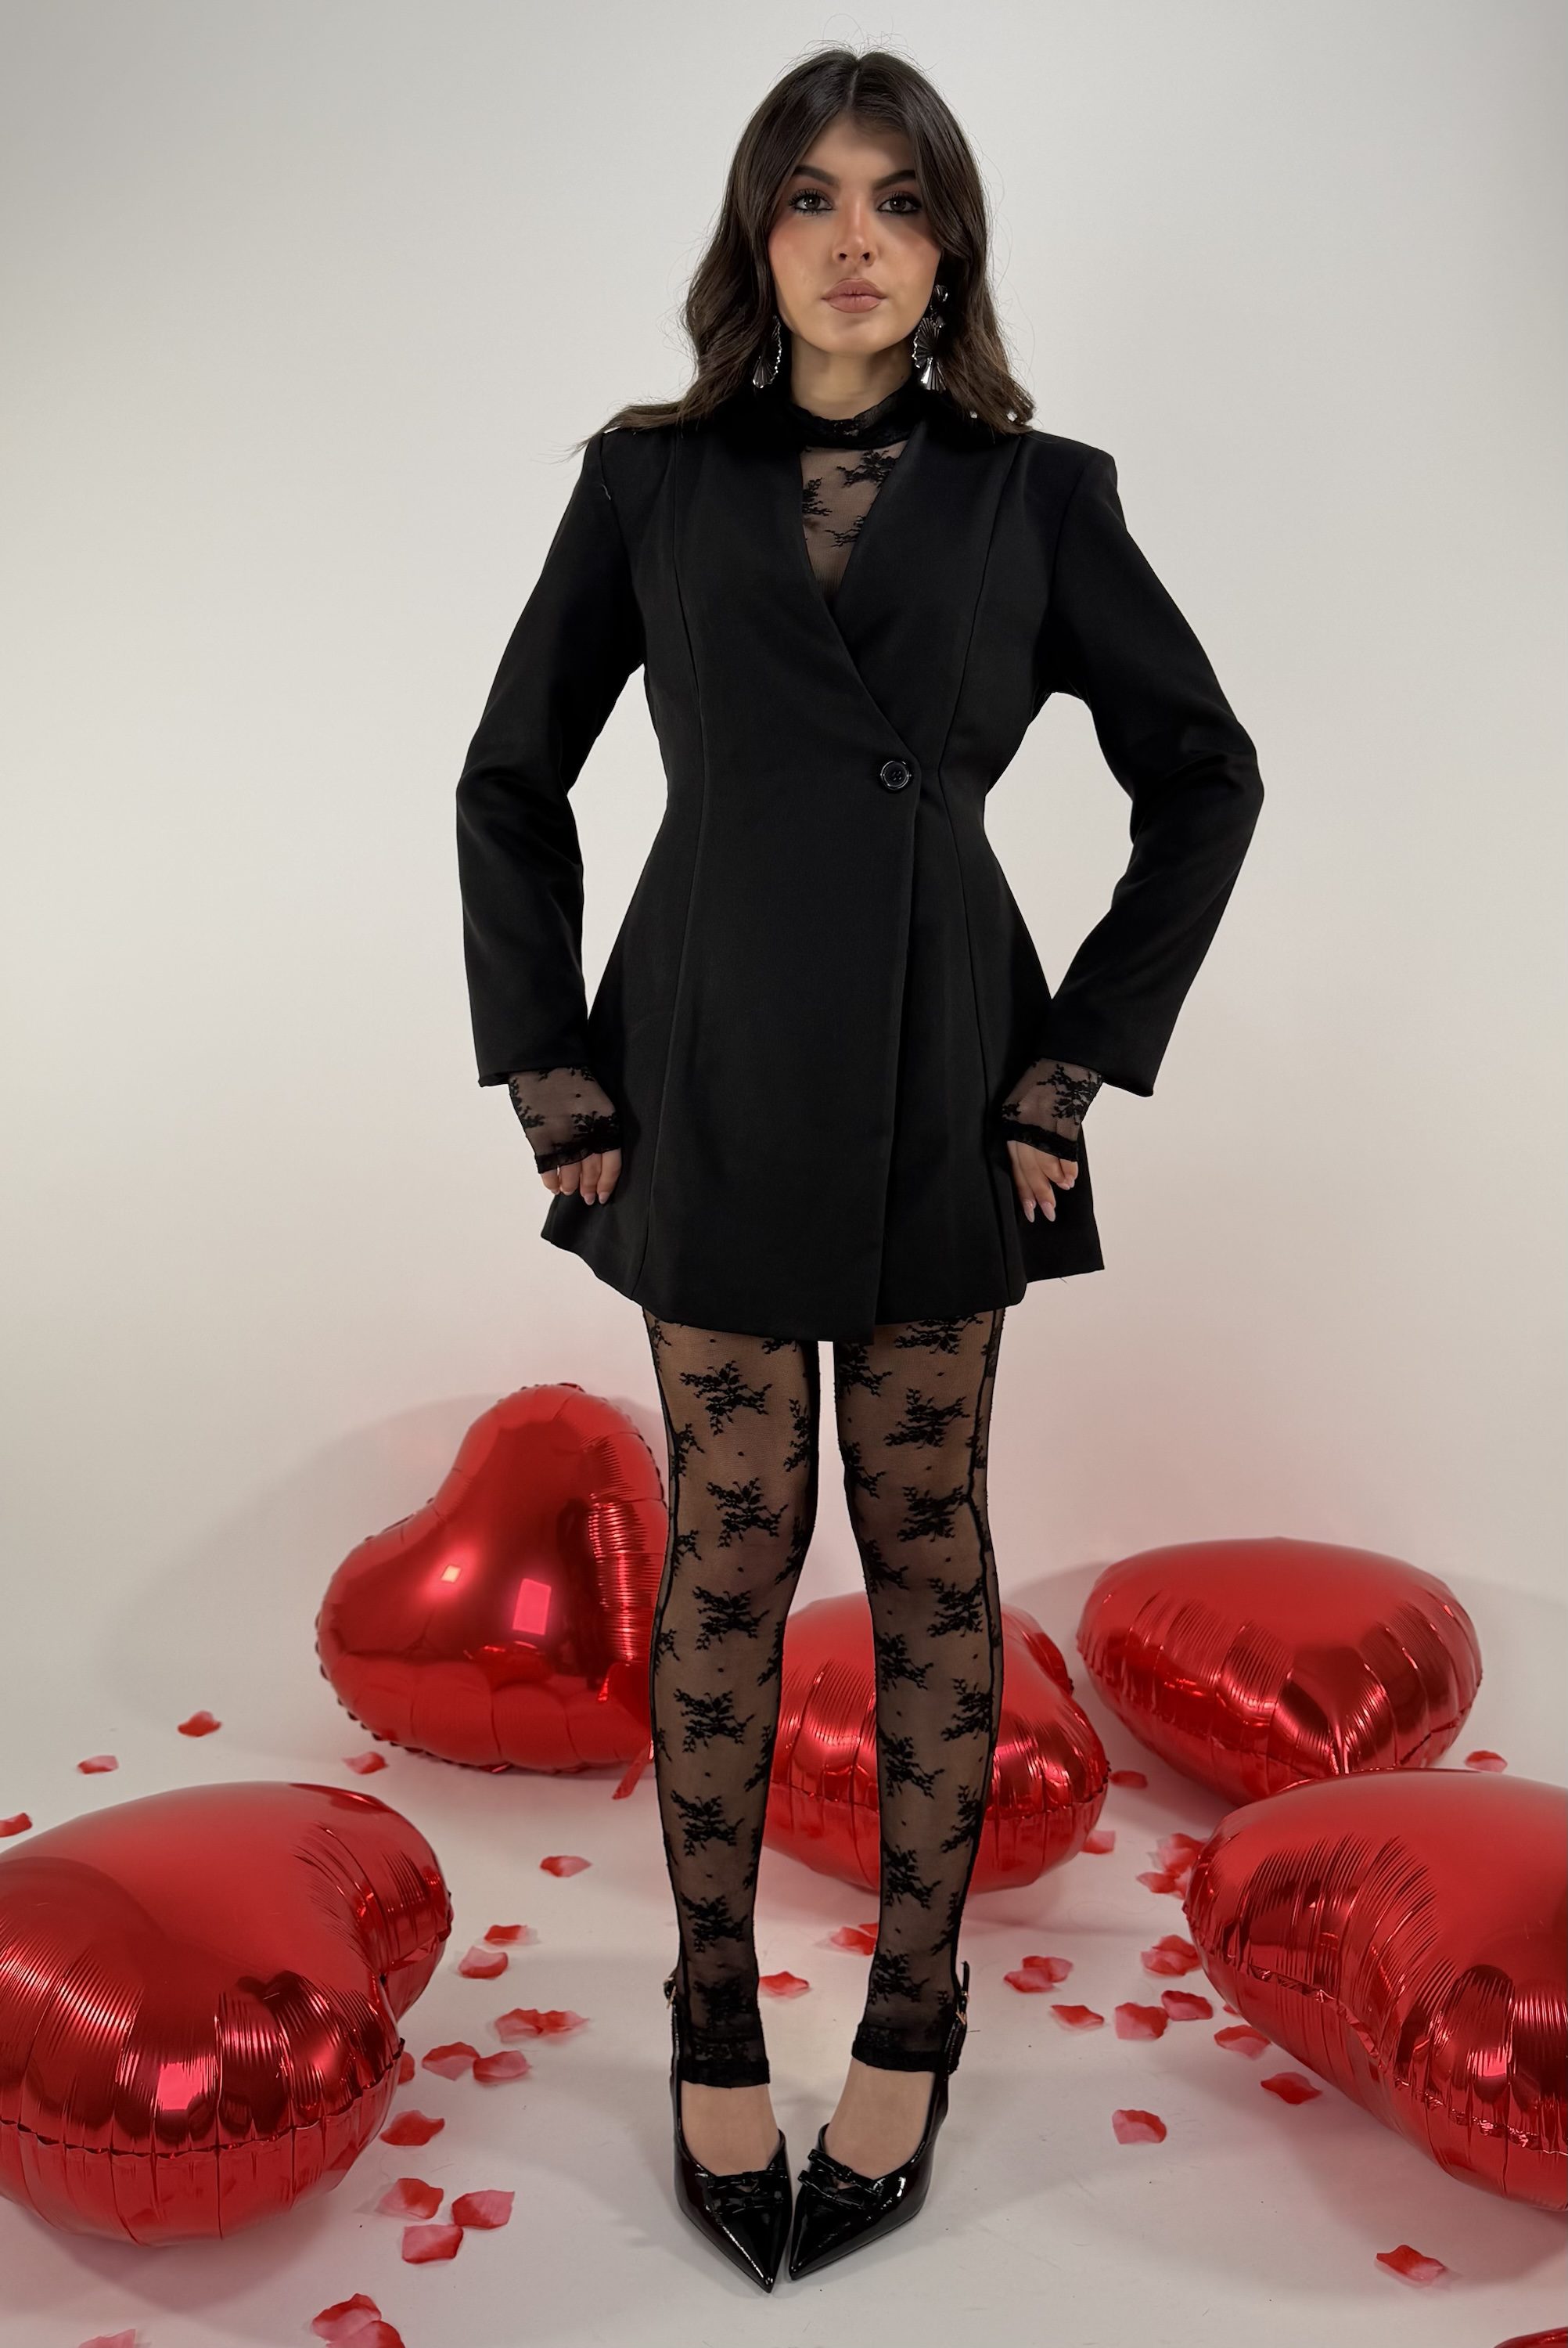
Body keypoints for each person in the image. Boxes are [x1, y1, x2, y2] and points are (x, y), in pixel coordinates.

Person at [455, 45, 1264, 2289]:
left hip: (942, 1076)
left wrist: (1068, 1065)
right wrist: (553, 1068)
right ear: (755, 231)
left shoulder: (1039, 496)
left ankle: (913, 2020)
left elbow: (1205, 775)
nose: (852, 239)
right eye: (808, 196)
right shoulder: (649, 483)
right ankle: (712, 2018)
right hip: (706, 1066)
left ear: (949, 245)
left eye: (898, 200)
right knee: (730, 1549)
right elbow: (510, 778)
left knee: (926, 1553)